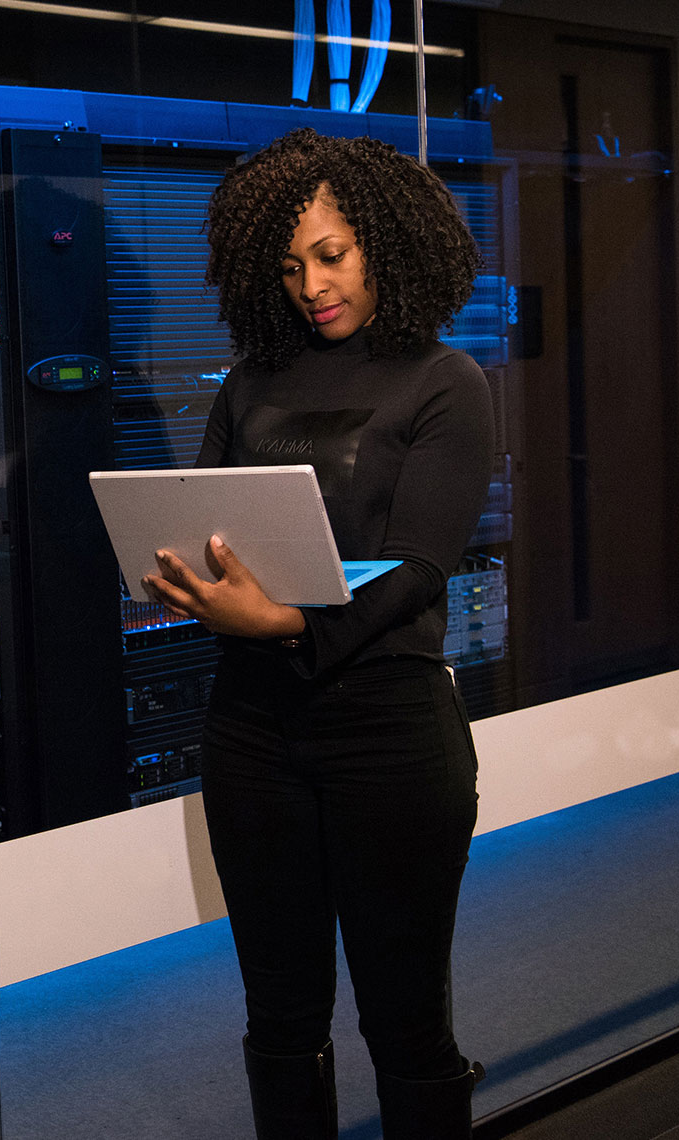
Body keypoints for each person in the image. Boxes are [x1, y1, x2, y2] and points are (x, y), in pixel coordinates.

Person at [141, 127, 493, 1140]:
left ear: (385, 243)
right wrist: (183, 579)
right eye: (291, 266)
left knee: (404, 1022)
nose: (311, 285)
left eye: (331, 256)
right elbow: (200, 522)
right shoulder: (249, 383)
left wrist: (290, 622)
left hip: (389, 733)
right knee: (280, 1020)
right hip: (252, 734)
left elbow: (421, 565)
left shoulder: (444, 382)